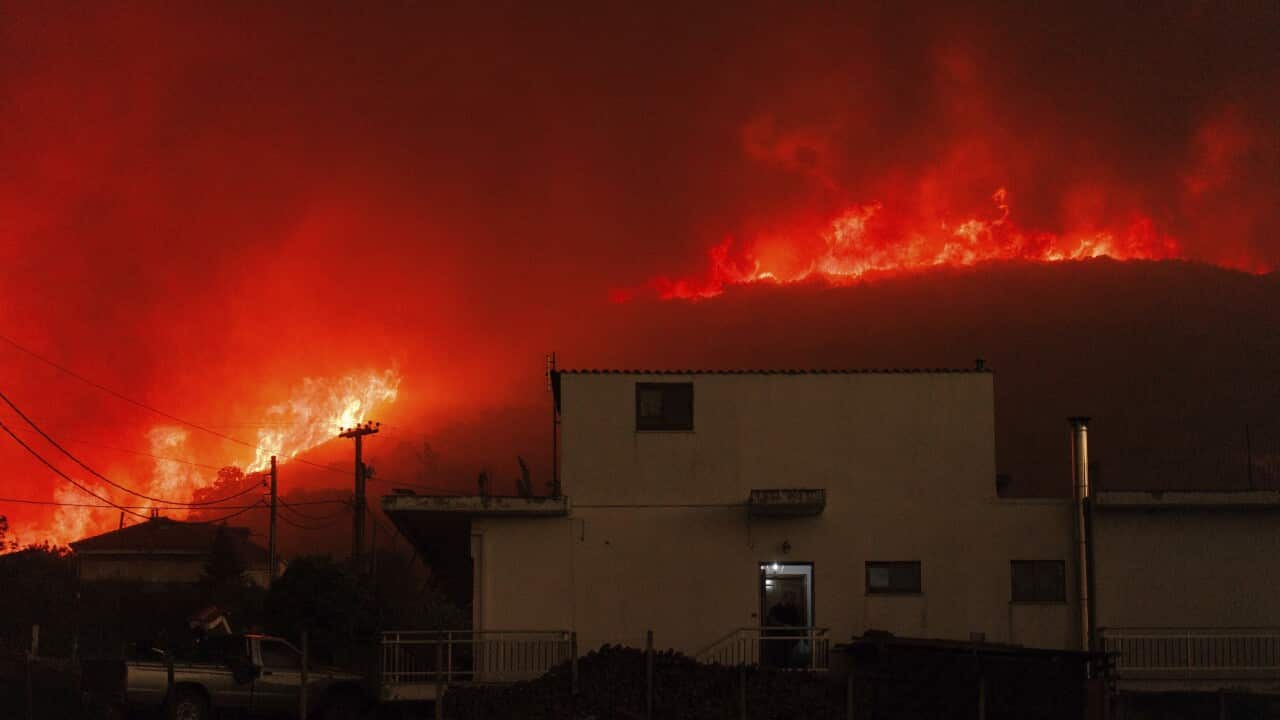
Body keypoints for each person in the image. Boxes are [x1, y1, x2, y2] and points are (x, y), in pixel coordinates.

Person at [765, 590, 803, 667]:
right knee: (779, 657)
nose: (792, 600)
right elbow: (771, 621)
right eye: (791, 598)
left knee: (789, 657)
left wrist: (799, 634)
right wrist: (783, 626)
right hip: (778, 638)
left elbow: (797, 622)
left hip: (790, 638)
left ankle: (788, 672)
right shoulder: (775, 608)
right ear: (785, 598)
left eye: (793, 598)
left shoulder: (793, 609)